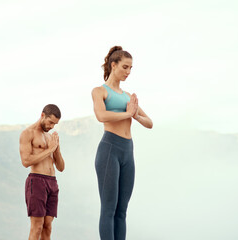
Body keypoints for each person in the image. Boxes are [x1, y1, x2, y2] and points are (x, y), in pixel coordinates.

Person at [91, 46, 153, 240]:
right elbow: (101, 115)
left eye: (131, 68)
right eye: (125, 67)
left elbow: (149, 122)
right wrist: (127, 113)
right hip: (110, 149)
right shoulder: (100, 91)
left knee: (122, 211)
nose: (128, 72)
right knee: (108, 208)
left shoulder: (127, 97)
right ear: (114, 65)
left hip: (128, 152)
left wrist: (135, 115)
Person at [19, 104, 65, 240]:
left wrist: (56, 150)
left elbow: (61, 167)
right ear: (42, 115)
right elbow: (26, 161)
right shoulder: (28, 133)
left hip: (52, 182)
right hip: (37, 180)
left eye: (55, 124)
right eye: (51, 122)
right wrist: (49, 150)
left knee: (48, 226)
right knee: (37, 226)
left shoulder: (50, 137)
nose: (52, 126)